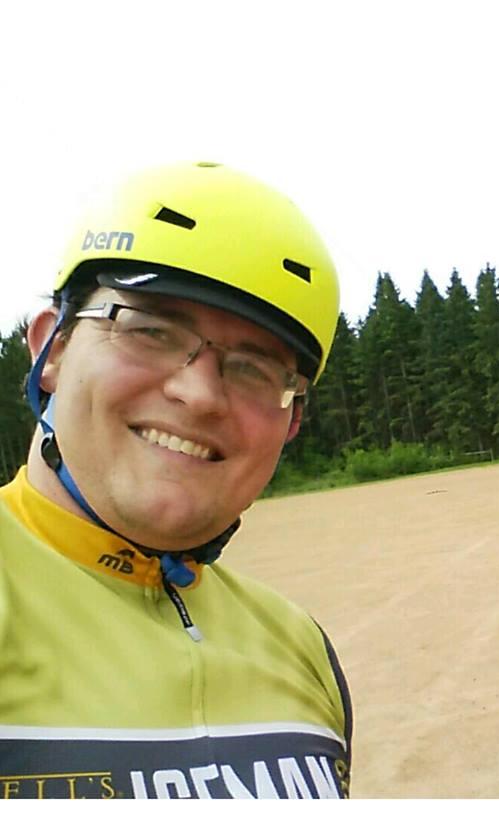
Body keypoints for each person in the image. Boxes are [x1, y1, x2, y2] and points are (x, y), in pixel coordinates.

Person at [0, 162, 352, 799]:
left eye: (254, 368)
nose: (199, 393)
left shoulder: (299, 646)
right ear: (51, 350)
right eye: (149, 330)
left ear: (291, 420)